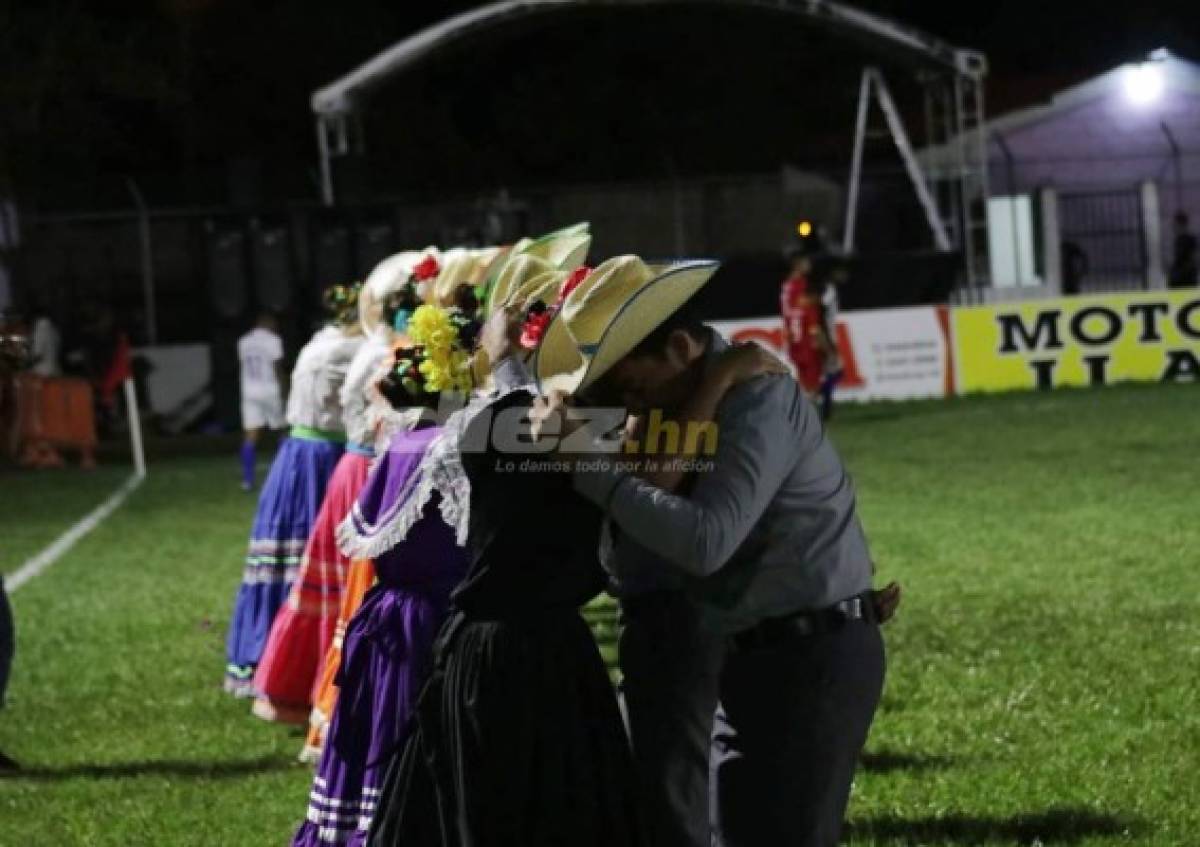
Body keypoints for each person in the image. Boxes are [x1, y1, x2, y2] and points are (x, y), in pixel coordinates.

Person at [534, 254, 897, 847]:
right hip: (749, 656)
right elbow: (629, 560)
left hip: (807, 660)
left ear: (679, 347)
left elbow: (705, 541)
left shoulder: (757, 400)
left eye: (631, 384)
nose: (630, 404)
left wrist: (591, 470)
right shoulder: (681, 404)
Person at [291, 302, 477, 846]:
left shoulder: (401, 445)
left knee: (383, 740)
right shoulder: (451, 449)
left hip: (390, 617)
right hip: (432, 622)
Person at [252, 251, 442, 726]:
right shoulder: (381, 354)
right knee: (352, 587)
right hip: (364, 465)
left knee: (346, 585)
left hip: (360, 463)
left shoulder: (364, 348)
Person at [223, 285, 364, 697]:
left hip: (299, 453)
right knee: (315, 560)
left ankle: (265, 656)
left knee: (288, 556)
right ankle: (300, 665)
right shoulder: (353, 349)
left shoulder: (321, 341)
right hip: (322, 454)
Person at [237, 313, 287, 491]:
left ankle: (247, 480)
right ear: (268, 323)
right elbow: (277, 367)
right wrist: (284, 390)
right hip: (269, 389)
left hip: (249, 391)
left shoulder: (243, 342)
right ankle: (285, 476)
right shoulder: (273, 340)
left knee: (250, 435)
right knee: (280, 431)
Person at [780, 246, 823, 396]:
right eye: (807, 262)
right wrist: (815, 334)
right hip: (803, 334)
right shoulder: (800, 285)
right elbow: (807, 312)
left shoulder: (787, 285)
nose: (809, 265)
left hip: (792, 335)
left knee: (802, 374)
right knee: (811, 373)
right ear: (798, 264)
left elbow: (789, 310)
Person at [1169, 211, 1198, 289]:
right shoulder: (1178, 240)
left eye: (1175, 224)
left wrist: (1178, 274)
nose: (1173, 227)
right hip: (1181, 279)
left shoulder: (1190, 240)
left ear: (1181, 225)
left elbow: (1192, 259)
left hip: (1186, 280)